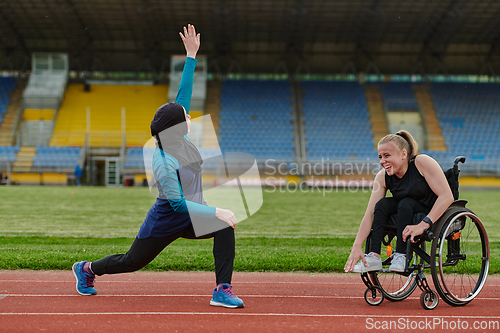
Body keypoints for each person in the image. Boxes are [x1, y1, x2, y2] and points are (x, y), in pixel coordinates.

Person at [72, 24, 244, 309]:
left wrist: (191, 56)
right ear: (177, 127)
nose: (190, 115)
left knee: (225, 228)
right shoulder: (164, 161)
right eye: (186, 116)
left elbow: (183, 94)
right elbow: (176, 205)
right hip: (166, 221)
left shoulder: (177, 135)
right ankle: (87, 269)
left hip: (192, 215)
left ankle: (222, 289)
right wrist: (217, 209)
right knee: (132, 262)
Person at [344, 130, 454, 273]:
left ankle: (401, 255)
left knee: (405, 202)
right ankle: (374, 257)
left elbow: (447, 196)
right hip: (406, 211)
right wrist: (356, 246)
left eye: (387, 155)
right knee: (382, 205)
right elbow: (370, 214)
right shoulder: (382, 176)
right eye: (380, 157)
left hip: (430, 212)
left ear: (403, 154)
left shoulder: (422, 162)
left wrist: (423, 224)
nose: (382, 161)